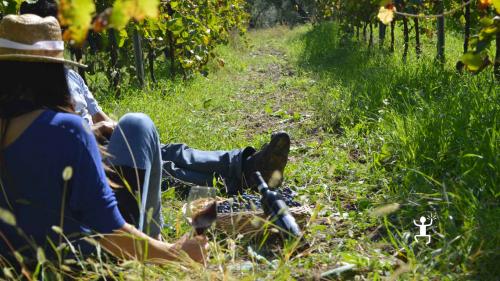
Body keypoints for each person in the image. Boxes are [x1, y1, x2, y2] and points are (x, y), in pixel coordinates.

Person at [19, 0, 292, 240]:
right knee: (162, 167)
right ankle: (244, 177)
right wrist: (94, 131)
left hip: (102, 143)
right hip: (86, 156)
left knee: (169, 152)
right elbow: (53, 141)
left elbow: (101, 115)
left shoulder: (71, 75)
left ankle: (244, 164)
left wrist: (113, 129)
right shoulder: (19, 93)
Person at [0, 14, 206, 270]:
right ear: (55, 71)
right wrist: (177, 254)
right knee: (138, 124)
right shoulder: (67, 129)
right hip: (86, 268)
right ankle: (156, 239)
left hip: (15, 270)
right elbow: (109, 231)